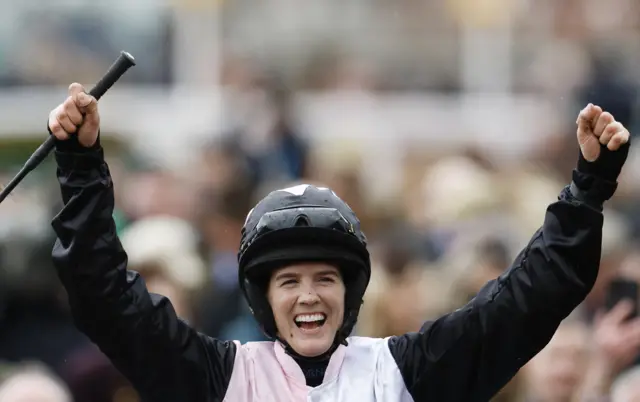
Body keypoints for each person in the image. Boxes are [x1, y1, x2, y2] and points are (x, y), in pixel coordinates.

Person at [47, 82, 631, 402]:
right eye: (290, 281)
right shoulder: (216, 377)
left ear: (349, 292)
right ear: (262, 299)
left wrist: (588, 187)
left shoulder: (406, 372)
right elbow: (105, 297)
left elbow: (527, 301)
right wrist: (79, 165)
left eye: (325, 278)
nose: (309, 296)